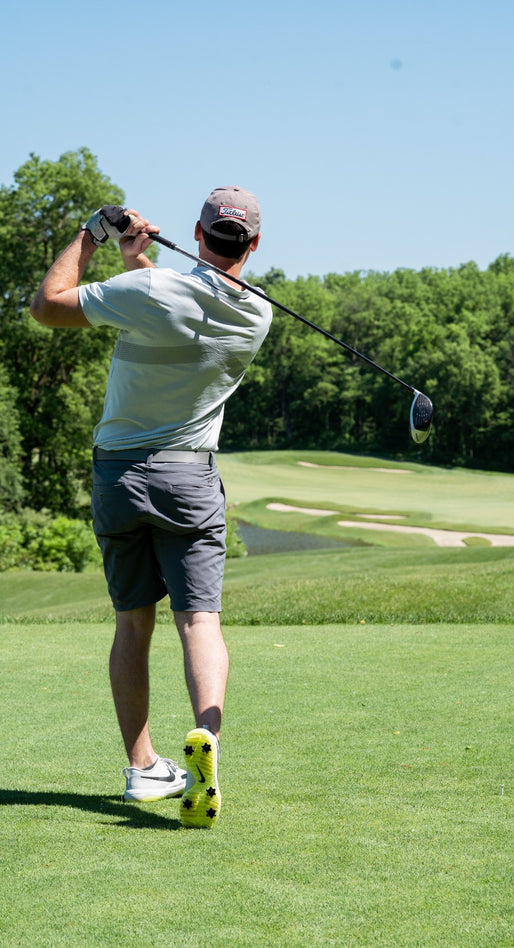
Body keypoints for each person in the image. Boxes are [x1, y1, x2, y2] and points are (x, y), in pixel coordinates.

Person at [30, 187, 272, 828]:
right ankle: (207, 741)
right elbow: (186, 306)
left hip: (119, 476)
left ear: (196, 232)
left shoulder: (150, 293)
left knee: (132, 624)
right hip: (189, 478)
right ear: (254, 245)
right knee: (200, 623)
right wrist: (143, 263)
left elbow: (47, 307)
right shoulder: (256, 317)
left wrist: (93, 237)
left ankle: (142, 769)